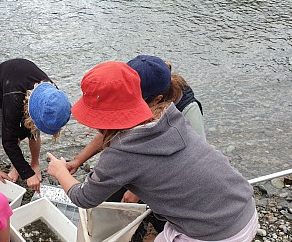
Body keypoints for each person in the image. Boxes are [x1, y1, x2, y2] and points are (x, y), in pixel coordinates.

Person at [47, 61, 258, 242]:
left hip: (219, 235)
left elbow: (84, 197)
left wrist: (59, 171)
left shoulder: (121, 155)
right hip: (241, 206)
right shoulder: (168, 115)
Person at [66, 55, 205, 177]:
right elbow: (112, 129)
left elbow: (194, 162)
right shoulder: (133, 86)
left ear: (157, 100)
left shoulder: (188, 111)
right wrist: (78, 160)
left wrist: (136, 192)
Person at [0, 58, 72, 193]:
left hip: (26, 83)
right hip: (2, 86)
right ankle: (16, 166)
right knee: (11, 132)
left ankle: (35, 163)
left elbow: (37, 127)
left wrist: (32, 169)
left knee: (32, 131)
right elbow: (8, 141)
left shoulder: (54, 97)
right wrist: (26, 173)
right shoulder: (13, 99)